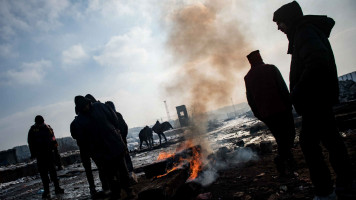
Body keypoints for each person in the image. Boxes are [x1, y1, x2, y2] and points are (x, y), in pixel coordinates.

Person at [273, 1, 353, 199]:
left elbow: (317, 60)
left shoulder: (304, 32)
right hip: (318, 98)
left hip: (315, 100)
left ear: (289, 20)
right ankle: (347, 183)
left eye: (280, 23)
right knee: (332, 141)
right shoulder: (304, 32)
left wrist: (298, 91)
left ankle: (325, 191)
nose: (278, 28)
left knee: (309, 144)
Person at [244, 50, 296, 176]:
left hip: (267, 115)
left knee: (280, 138)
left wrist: (260, 115)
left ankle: (287, 165)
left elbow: (250, 100)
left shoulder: (248, 77)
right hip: (282, 109)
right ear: (260, 58)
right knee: (289, 136)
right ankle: (284, 161)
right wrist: (289, 105)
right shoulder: (271, 68)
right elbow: (283, 88)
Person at [74, 96, 135, 199]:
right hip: (100, 150)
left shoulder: (100, 107)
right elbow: (83, 138)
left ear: (88, 103)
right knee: (110, 175)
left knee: (122, 169)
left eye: (86, 105)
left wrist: (114, 132)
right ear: (79, 108)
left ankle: (128, 190)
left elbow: (114, 118)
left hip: (114, 143)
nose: (86, 108)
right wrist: (93, 151)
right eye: (83, 107)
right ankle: (116, 194)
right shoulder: (79, 120)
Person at [28, 115, 64, 199]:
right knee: (44, 174)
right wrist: (33, 153)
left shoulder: (48, 128)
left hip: (49, 153)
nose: (41, 124)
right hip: (40, 155)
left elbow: (53, 139)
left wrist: (56, 151)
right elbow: (31, 143)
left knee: (53, 172)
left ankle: (57, 188)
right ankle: (47, 191)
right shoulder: (33, 130)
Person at [105, 101, 134, 172]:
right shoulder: (114, 116)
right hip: (118, 142)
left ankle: (130, 173)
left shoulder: (115, 116)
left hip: (119, 141)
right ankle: (129, 173)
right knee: (123, 159)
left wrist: (122, 137)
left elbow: (124, 127)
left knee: (124, 158)